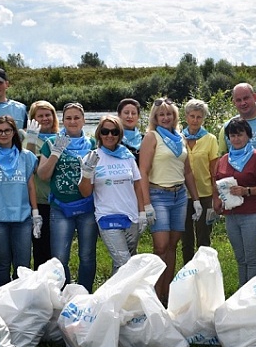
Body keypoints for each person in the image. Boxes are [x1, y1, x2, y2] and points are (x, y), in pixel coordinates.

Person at [138, 98, 201, 304]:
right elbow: (143, 171)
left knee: (173, 245)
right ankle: (153, 294)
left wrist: (197, 199)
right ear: (155, 118)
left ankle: (166, 293)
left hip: (179, 196)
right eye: (161, 115)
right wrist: (146, 204)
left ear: (175, 116)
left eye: (169, 114)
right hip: (158, 195)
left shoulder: (180, 138)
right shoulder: (151, 137)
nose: (166, 118)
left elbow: (188, 171)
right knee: (161, 246)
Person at [37, 102, 99, 292]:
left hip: (87, 207)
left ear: (83, 120)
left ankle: (84, 295)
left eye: (76, 118)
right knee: (59, 257)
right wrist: (56, 153)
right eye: (68, 118)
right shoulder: (50, 143)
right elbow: (43, 175)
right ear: (63, 121)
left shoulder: (92, 143)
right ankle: (64, 295)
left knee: (87, 255)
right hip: (60, 207)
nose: (73, 121)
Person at [0, 116, 41, 289]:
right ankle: (3, 304)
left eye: (7, 130)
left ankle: (22, 302)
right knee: (1, 264)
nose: (3, 134)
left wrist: (35, 214)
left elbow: (31, 187)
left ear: (14, 133)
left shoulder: (26, 157)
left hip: (22, 218)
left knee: (23, 265)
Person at [78, 116, 145, 275]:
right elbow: (85, 192)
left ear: (119, 134)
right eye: (105, 131)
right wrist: (87, 174)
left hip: (131, 217)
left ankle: (114, 299)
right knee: (125, 263)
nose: (109, 135)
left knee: (123, 264)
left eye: (114, 132)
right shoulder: (93, 157)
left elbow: (137, 184)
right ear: (99, 134)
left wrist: (142, 212)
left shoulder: (127, 156)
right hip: (107, 217)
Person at [213, 117, 256, 286]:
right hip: (232, 214)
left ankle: (254, 297)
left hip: (252, 214)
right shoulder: (224, 159)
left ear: (248, 136)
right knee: (240, 258)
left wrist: (246, 191)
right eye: (232, 136)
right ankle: (241, 295)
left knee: (252, 258)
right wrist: (217, 199)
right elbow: (217, 181)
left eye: (240, 135)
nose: (236, 139)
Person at [181, 99, 219, 265]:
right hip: (182, 195)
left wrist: (216, 195)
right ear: (186, 117)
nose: (195, 120)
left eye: (199, 117)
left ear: (203, 119)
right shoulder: (177, 138)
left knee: (203, 238)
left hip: (205, 193)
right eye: (192, 116)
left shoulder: (210, 139)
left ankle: (204, 271)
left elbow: (214, 170)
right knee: (186, 238)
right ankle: (187, 272)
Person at [24, 100, 60, 269]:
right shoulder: (27, 140)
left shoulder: (61, 138)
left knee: (58, 248)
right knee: (41, 247)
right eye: (40, 116)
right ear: (33, 119)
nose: (45, 119)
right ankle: (40, 286)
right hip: (39, 201)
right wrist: (31, 141)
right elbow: (30, 168)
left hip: (60, 201)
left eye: (48, 115)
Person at [217, 83, 256, 158]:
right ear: (234, 102)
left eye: (246, 98)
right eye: (238, 100)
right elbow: (221, 160)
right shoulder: (227, 127)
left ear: (255, 97)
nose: (243, 103)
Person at [117, 98, 144, 162]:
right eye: (126, 113)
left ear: (138, 116)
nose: (130, 116)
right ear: (119, 115)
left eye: (133, 113)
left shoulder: (145, 139)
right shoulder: (113, 138)